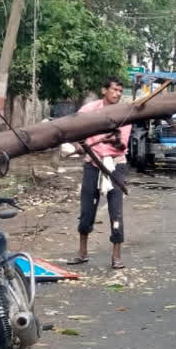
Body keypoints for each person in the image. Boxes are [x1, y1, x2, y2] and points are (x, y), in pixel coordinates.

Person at [69, 76, 131, 269]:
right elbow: (74, 128)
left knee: (116, 210)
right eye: (114, 90)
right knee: (87, 208)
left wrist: (108, 141)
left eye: (120, 91)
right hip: (92, 163)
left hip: (115, 164)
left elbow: (122, 145)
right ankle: (82, 252)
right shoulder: (89, 110)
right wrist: (79, 144)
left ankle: (116, 256)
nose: (118, 94)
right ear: (104, 90)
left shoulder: (124, 113)